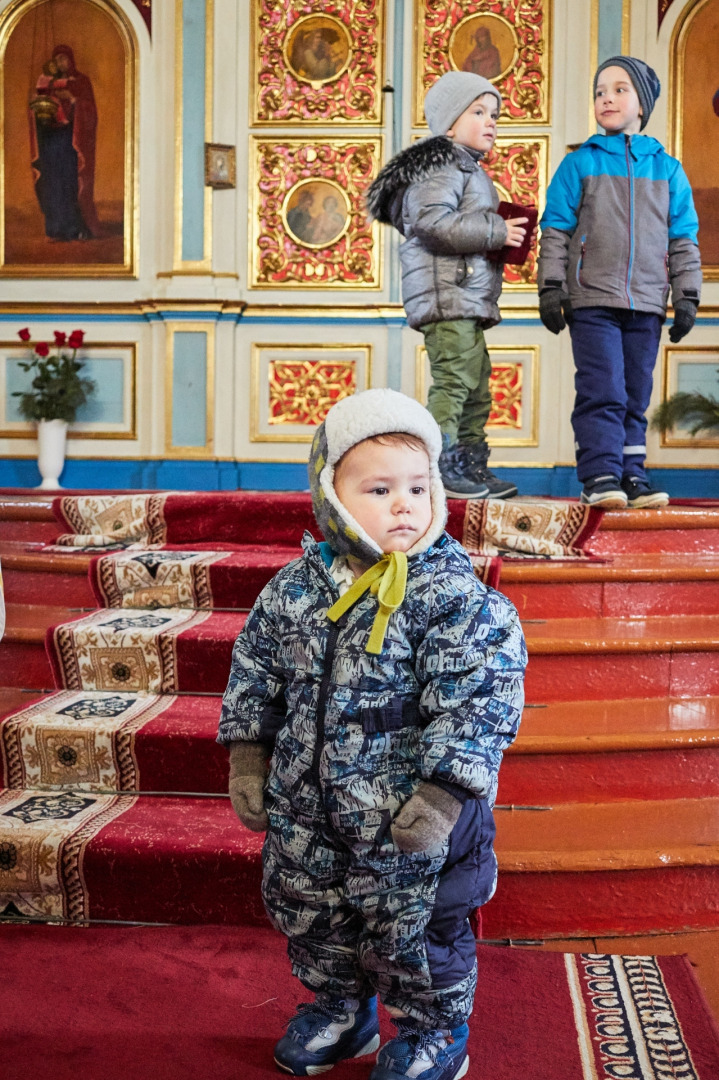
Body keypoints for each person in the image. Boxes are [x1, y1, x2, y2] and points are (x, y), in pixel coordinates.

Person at [218, 388, 526, 1080]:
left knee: (419, 934)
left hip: (411, 819)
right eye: (379, 488)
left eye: (418, 488)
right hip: (308, 810)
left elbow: (479, 702)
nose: (403, 505)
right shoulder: (296, 588)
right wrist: (248, 758)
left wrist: (444, 795)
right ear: (329, 495)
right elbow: (256, 671)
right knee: (313, 914)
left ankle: (433, 1032)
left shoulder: (455, 599)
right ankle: (340, 1010)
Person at [538, 56, 702, 509]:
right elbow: (555, 230)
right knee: (603, 388)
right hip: (592, 299)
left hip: (647, 301)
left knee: (635, 392)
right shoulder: (579, 164)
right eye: (599, 91)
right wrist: (552, 287)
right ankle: (600, 475)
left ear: (642, 105)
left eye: (619, 89)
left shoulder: (667, 170)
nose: (606, 97)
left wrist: (686, 295)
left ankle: (632, 475)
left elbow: (683, 237)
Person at [366, 71, 530, 500]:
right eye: (478, 111)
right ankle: (436, 468)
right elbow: (430, 222)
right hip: (447, 297)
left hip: (466, 297)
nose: (491, 121)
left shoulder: (468, 168)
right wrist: (496, 231)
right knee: (455, 382)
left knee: (477, 386)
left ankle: (469, 465)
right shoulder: (442, 165)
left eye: (494, 113)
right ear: (449, 124)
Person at [29, 44, 100, 241]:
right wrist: (36, 104)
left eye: (64, 59)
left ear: (71, 60)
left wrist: (73, 99)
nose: (61, 63)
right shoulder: (48, 81)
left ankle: (73, 228)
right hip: (51, 141)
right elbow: (40, 107)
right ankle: (55, 229)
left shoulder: (81, 81)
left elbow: (91, 111)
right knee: (52, 184)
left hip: (70, 141)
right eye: (58, 59)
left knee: (70, 184)